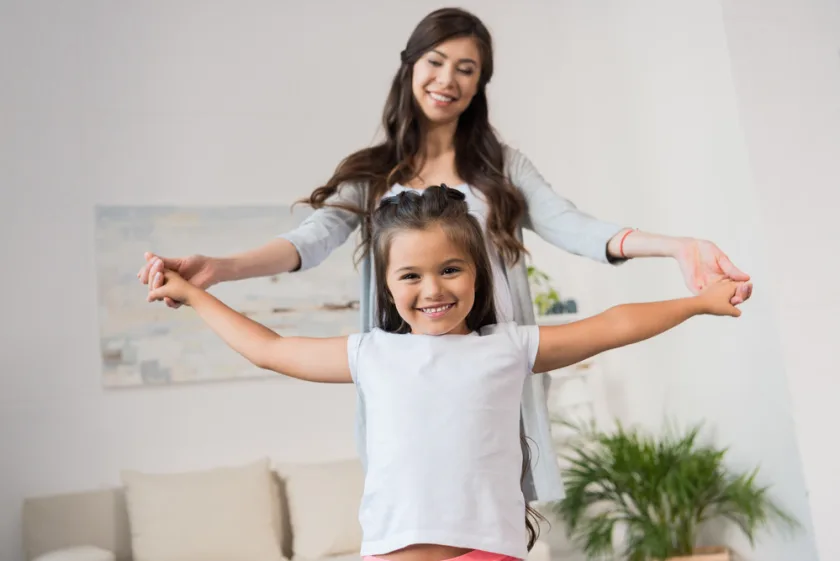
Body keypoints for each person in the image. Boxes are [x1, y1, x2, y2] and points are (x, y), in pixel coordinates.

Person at [137, 7, 752, 503]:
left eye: (467, 68)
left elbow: (577, 228)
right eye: (436, 61)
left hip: (495, 363)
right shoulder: (373, 177)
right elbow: (308, 242)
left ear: (479, 84)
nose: (448, 79)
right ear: (410, 67)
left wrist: (676, 246)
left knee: (492, 497)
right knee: (419, 490)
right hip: (412, 369)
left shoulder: (501, 170)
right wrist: (218, 269)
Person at [146, 186, 746, 561]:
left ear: (478, 275)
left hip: (489, 554)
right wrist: (193, 294)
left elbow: (614, 323)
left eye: (452, 269)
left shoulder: (508, 347)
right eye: (410, 276)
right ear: (386, 286)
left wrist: (699, 302)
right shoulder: (372, 354)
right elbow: (269, 348)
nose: (432, 289)